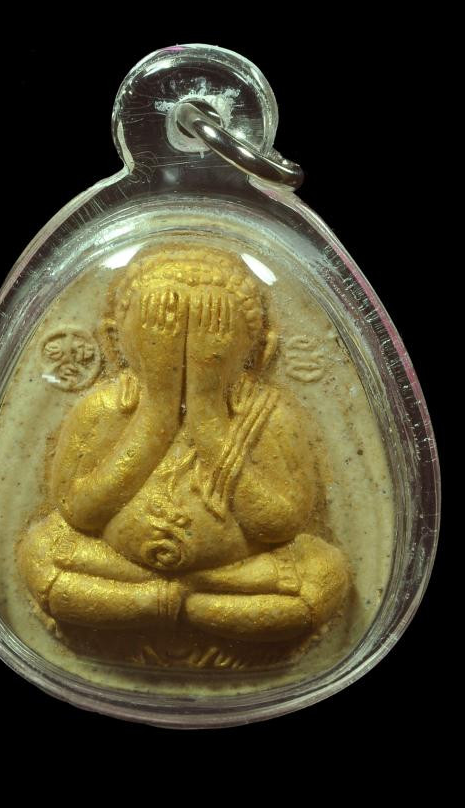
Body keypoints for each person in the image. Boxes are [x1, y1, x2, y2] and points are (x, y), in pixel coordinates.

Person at [17, 244, 349, 654]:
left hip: (235, 575)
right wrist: (157, 410)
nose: (186, 350)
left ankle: (185, 604)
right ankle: (158, 604)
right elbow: (78, 512)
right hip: (121, 569)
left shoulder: (269, 414)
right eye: (161, 328)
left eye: (212, 329)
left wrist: (206, 412)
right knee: (41, 550)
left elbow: (282, 525)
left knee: (324, 573)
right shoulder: (105, 407)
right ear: (113, 342)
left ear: (259, 351)